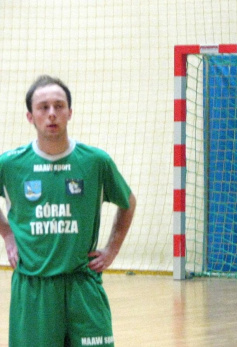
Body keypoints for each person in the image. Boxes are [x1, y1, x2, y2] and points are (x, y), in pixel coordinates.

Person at [0, 75, 137, 346]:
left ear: (70, 113)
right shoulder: (11, 164)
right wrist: (7, 234)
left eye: (59, 106)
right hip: (34, 288)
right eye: (43, 107)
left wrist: (112, 249)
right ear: (30, 116)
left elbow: (128, 202)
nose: (52, 114)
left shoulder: (96, 161)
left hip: (82, 285)